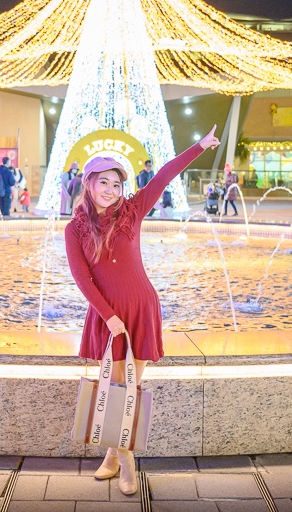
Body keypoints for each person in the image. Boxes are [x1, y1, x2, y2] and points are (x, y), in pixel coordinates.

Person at [65, 124, 220, 495]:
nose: (111, 190)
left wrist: (199, 146)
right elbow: (83, 280)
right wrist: (109, 316)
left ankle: (118, 459)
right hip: (109, 317)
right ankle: (121, 460)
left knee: (129, 388)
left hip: (141, 308)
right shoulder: (76, 229)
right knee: (116, 387)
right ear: (89, 183)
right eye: (103, 183)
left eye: (116, 184)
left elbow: (165, 174)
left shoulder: (133, 210)